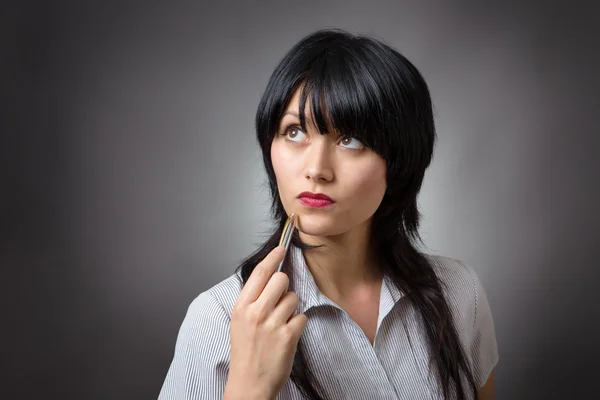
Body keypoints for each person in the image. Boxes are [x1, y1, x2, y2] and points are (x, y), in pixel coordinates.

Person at [158, 28, 498, 400]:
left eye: (349, 139)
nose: (316, 168)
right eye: (294, 132)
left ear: (400, 160)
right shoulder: (218, 319)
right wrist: (248, 389)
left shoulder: (458, 293)